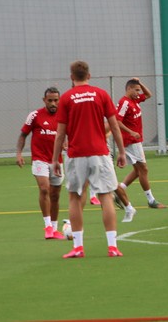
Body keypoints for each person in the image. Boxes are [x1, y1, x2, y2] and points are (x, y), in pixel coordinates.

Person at [52, 61, 127, 258]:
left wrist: (55, 159)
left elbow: (60, 133)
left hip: (76, 155)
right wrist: (121, 151)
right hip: (100, 153)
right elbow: (114, 125)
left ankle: (78, 247)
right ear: (89, 75)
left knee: (75, 198)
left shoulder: (67, 98)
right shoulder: (101, 94)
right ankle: (112, 246)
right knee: (105, 197)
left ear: (71, 77)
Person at [16, 87, 65, 240]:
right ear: (44, 100)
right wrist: (19, 153)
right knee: (44, 189)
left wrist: (67, 145)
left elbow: (69, 134)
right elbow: (23, 135)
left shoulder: (64, 116)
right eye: (50, 100)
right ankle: (48, 227)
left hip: (57, 161)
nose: (53, 103)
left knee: (55, 195)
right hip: (40, 159)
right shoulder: (35, 115)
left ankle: (55, 229)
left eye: (56, 100)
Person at [116, 78, 165, 209]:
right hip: (131, 141)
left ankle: (119, 190)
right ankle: (151, 200)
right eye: (136, 90)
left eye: (139, 90)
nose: (139, 92)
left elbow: (149, 95)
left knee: (138, 171)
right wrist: (131, 132)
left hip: (135, 140)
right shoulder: (125, 102)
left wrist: (141, 83)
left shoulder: (134, 100)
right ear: (128, 89)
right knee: (143, 169)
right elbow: (117, 121)